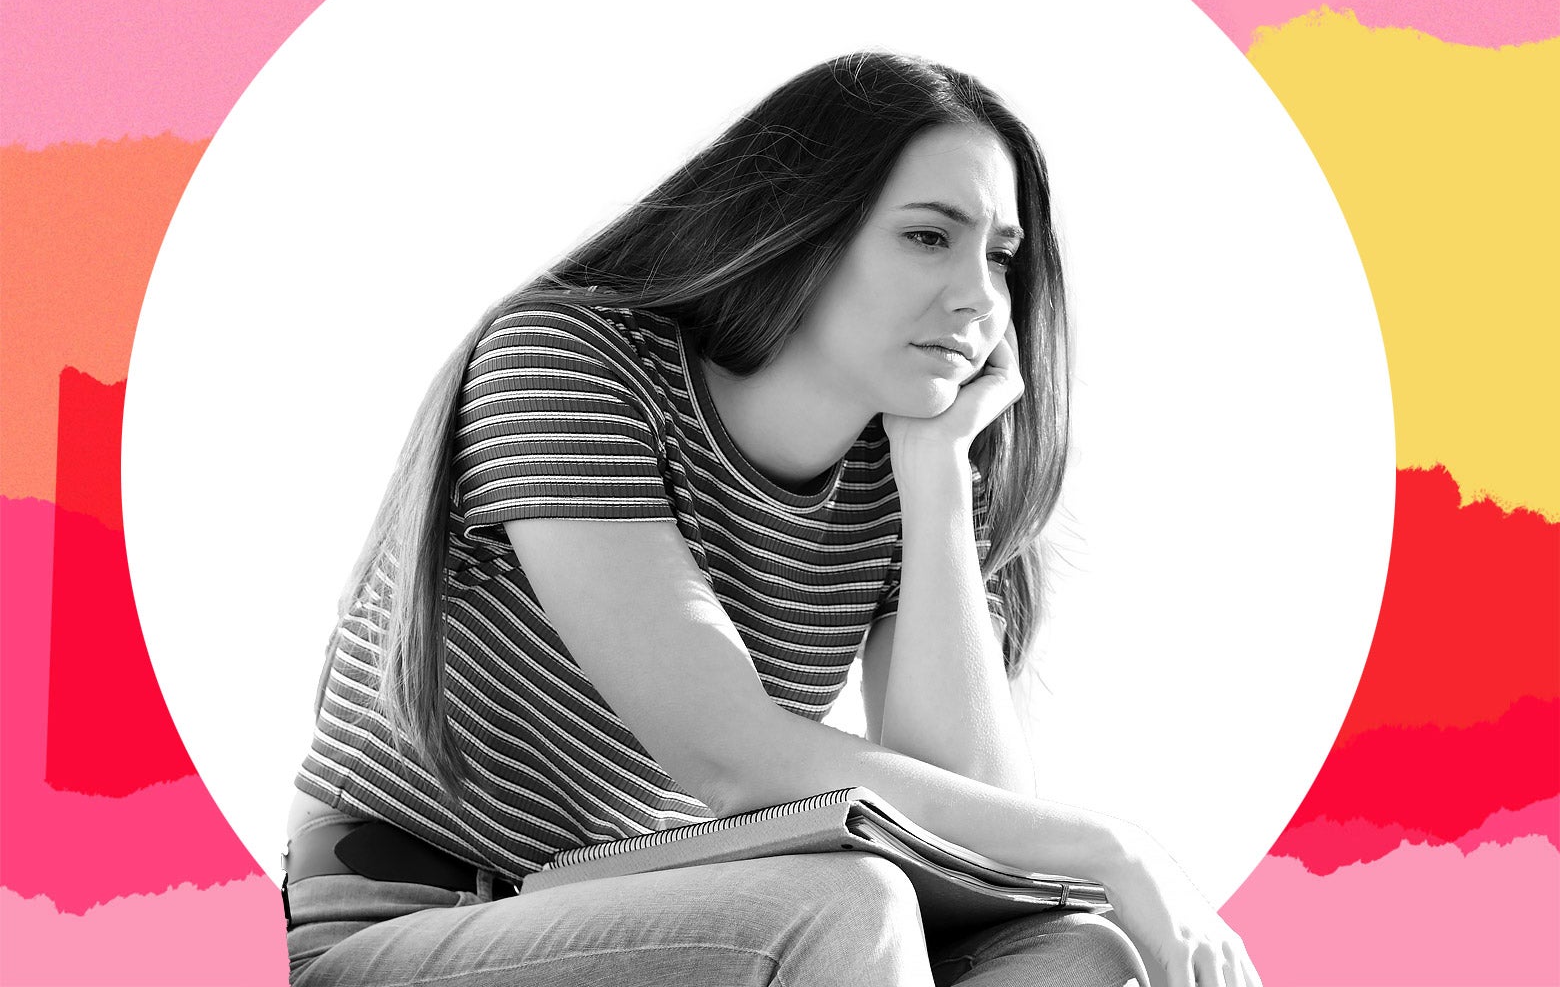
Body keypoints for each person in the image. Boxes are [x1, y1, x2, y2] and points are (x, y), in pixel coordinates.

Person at [282, 51, 1262, 987]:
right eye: (930, 234)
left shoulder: (900, 470)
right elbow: (732, 758)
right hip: (403, 922)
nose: (980, 298)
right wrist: (1115, 846)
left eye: (1001, 257)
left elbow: (976, 836)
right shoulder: (567, 363)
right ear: (807, 227)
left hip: (673, 912)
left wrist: (933, 470)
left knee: (1076, 953)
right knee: (849, 902)